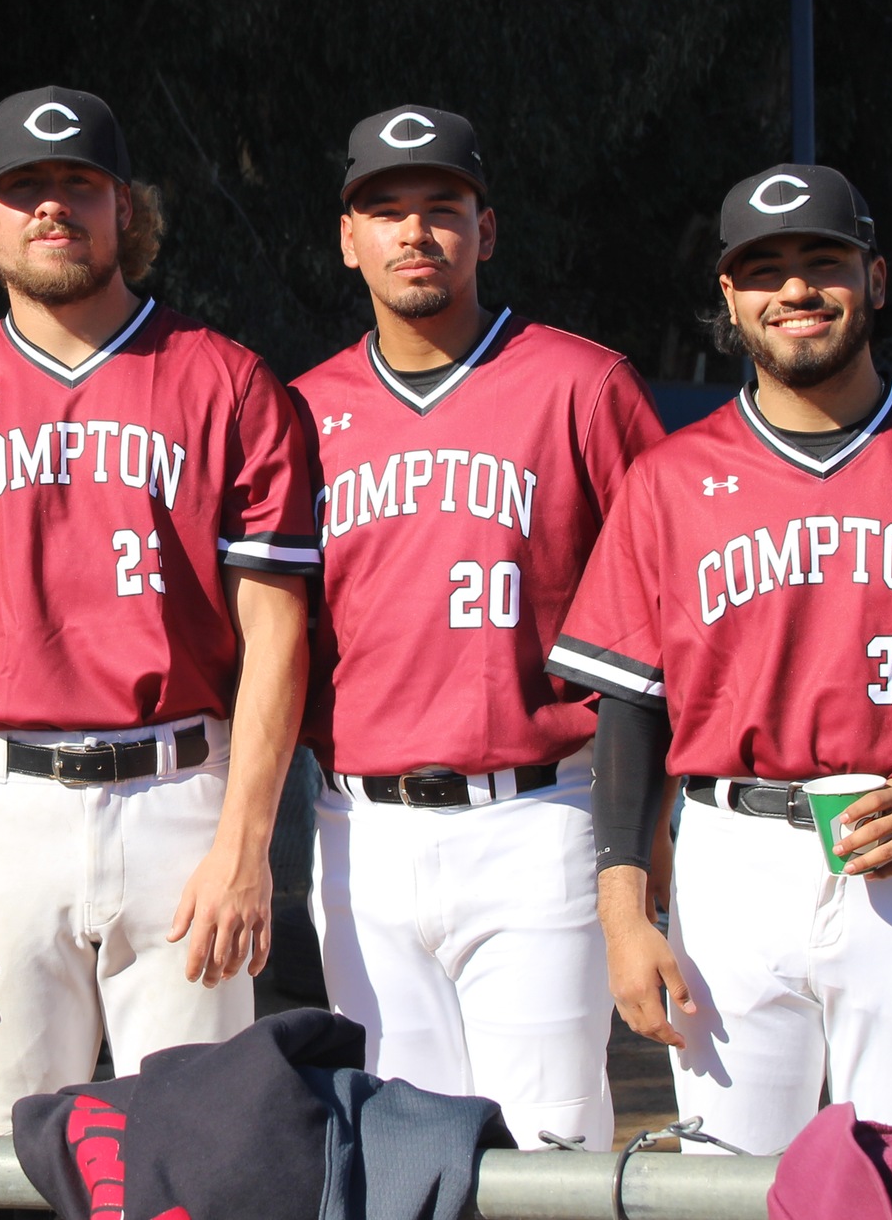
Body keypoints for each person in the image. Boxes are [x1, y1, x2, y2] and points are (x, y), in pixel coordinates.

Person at [548, 164, 892, 1155]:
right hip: (730, 867)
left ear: (875, 279)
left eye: (823, 262)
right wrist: (621, 913)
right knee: (725, 1180)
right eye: (762, 269)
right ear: (728, 298)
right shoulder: (666, 482)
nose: (795, 290)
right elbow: (628, 713)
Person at [0, 86, 319, 1134]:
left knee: (197, 1154)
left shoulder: (223, 382)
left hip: (179, 796)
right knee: (11, 1149)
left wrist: (246, 844)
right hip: (4, 811)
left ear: (125, 212)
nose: (52, 208)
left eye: (78, 185)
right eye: (24, 188)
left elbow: (275, 634)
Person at [290, 105, 664, 1150]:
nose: (414, 233)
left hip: (537, 817)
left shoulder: (582, 384)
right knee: (396, 1146)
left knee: (547, 1140)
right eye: (385, 210)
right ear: (347, 238)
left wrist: (649, 842)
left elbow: (666, 614)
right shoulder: (300, 409)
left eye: (439, 209)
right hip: (358, 826)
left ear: (484, 231)